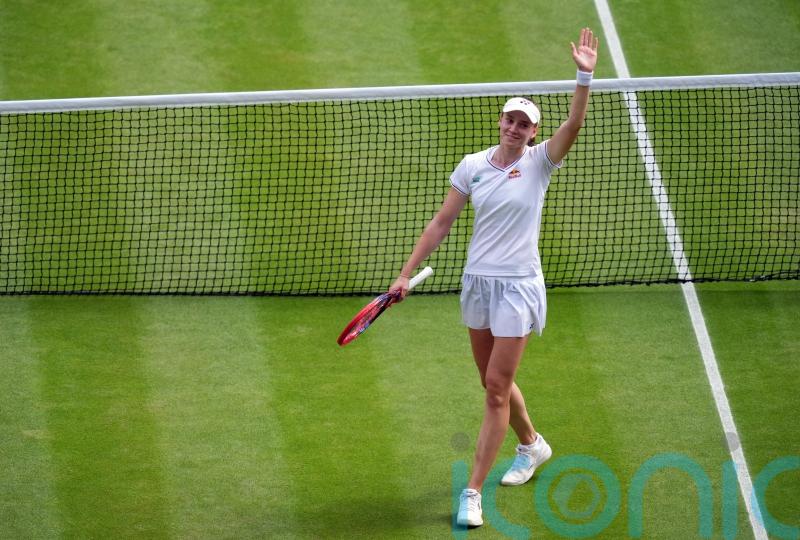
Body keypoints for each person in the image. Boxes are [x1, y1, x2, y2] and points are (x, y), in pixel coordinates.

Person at [389, 28, 599, 528]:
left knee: (495, 389)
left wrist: (584, 75)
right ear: (500, 120)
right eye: (510, 118)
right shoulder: (471, 166)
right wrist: (403, 274)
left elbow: (573, 123)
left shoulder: (542, 162)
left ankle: (472, 491)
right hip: (478, 284)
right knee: (492, 381)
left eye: (524, 124)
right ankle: (532, 445)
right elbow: (442, 221)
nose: (515, 127)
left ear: (532, 132)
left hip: (519, 286)